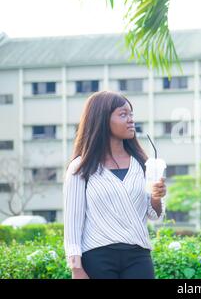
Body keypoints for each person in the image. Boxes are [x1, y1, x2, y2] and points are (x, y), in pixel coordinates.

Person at [63, 90, 166, 279]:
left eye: (131, 114)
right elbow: (72, 226)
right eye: (123, 114)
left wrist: (156, 197)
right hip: (97, 257)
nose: (131, 120)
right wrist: (76, 269)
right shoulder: (80, 168)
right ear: (102, 119)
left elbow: (155, 215)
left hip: (138, 257)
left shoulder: (143, 164)